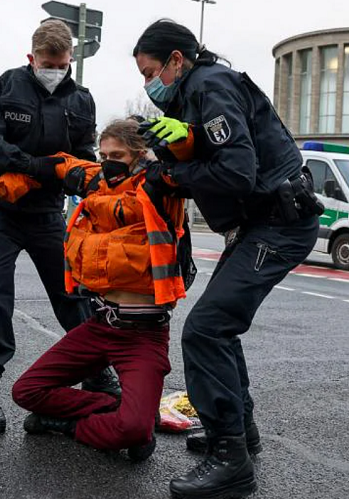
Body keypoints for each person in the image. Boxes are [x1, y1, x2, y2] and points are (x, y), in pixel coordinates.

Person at [133, 19, 322, 498]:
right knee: (220, 326)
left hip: (279, 224)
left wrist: (173, 175)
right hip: (264, 222)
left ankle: (230, 458)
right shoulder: (195, 91)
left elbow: (237, 173)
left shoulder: (210, 86)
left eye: (150, 71)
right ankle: (242, 433)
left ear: (178, 60)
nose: (148, 83)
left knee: (206, 330)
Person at [0, 119, 186, 460]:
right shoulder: (95, 178)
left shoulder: (159, 185)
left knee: (136, 432)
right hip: (100, 326)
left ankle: (72, 425)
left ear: (140, 154)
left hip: (144, 334)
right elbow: (45, 168)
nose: (109, 160)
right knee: (26, 392)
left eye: (118, 154)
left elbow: (195, 171)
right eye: (104, 153)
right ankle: (114, 406)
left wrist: (186, 140)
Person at [0, 19, 121, 434]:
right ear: (31, 59)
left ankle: (97, 371)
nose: (54, 70)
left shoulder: (81, 100)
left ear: (71, 59)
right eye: (47, 63)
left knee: (73, 293)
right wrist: (27, 165)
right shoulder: (10, 85)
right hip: (3, 210)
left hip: (49, 213)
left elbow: (83, 154)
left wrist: (89, 183)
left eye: (61, 63)